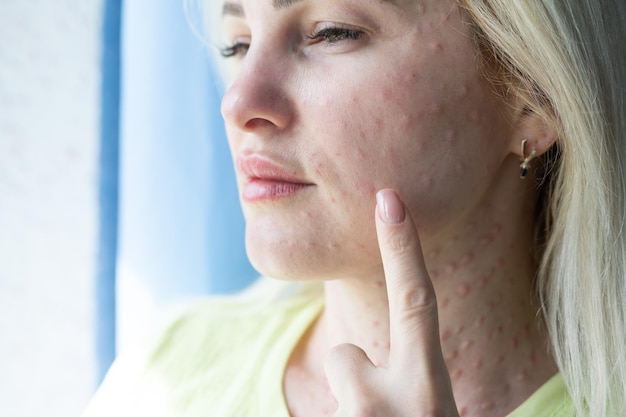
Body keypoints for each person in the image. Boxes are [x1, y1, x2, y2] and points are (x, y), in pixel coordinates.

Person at [83, 0, 626, 416]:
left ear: (530, 93)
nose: (239, 102)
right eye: (238, 44)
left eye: (331, 32)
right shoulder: (167, 373)